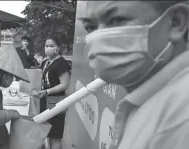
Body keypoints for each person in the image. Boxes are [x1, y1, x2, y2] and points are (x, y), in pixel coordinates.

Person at [80, 1, 189, 149]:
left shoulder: (180, 118)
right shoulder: (146, 102)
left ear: (176, 22)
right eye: (90, 27)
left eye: (116, 20)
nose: (99, 37)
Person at [32, 36, 71, 149]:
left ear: (58, 48)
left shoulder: (61, 63)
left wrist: (47, 91)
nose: (48, 48)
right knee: (46, 132)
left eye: (52, 46)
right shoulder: (45, 61)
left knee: (55, 135)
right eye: (46, 45)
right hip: (44, 101)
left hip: (56, 102)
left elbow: (64, 84)